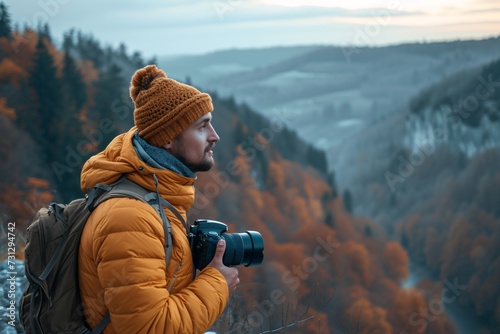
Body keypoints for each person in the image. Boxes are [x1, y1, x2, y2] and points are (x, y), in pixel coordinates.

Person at [78, 64, 239, 333]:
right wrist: (217, 282)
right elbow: (149, 327)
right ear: (167, 139)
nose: (215, 136)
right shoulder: (130, 218)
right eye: (202, 127)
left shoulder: (156, 196)